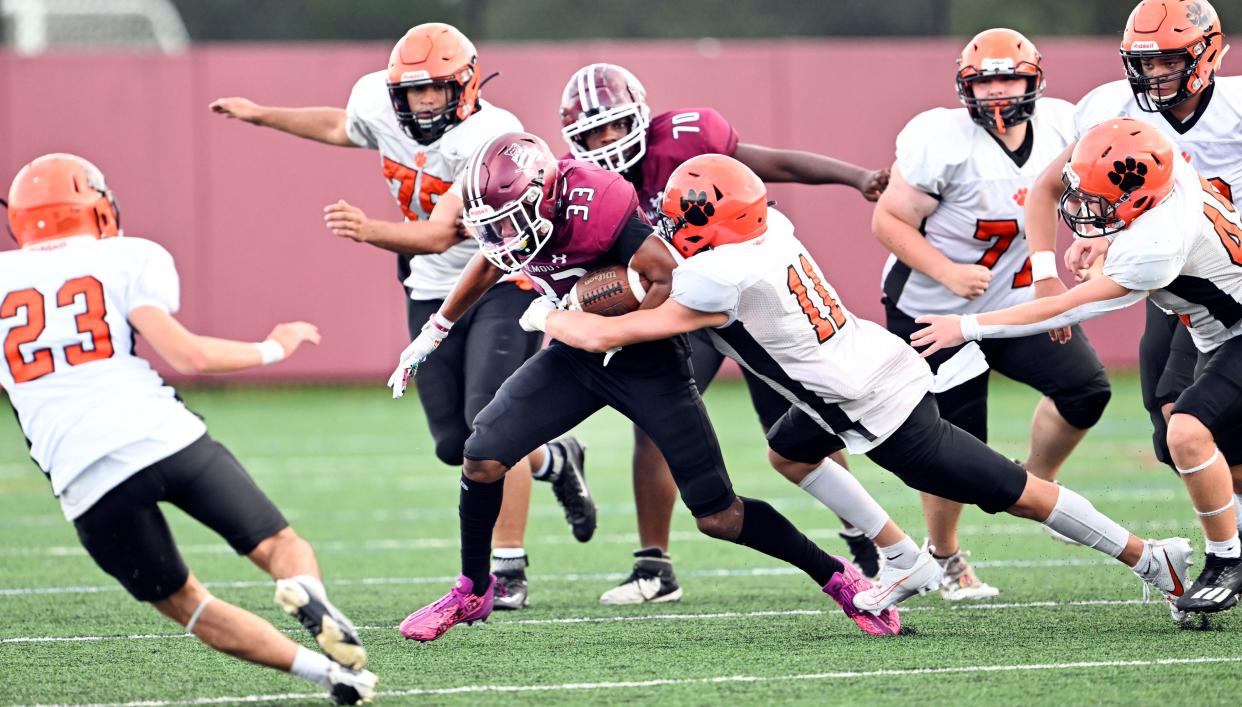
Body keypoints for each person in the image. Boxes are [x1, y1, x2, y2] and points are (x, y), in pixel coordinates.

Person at [534, 152, 1194, 624]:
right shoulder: (769, 229)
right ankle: (902, 555)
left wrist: (549, 311)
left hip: (877, 406)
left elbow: (610, 335)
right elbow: (688, 259)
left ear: (716, 223)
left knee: (1014, 492)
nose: (672, 228)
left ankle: (1149, 558)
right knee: (789, 451)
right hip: (855, 372)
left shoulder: (719, 278)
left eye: (683, 217)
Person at [389, 132, 904, 640]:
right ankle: (473, 590)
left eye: (510, 221)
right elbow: (492, 258)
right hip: (577, 354)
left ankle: (835, 576)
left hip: (649, 360)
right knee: (481, 455)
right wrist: (437, 328)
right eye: (494, 224)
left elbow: (667, 277)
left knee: (719, 516)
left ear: (546, 195)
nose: (504, 235)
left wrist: (614, 325)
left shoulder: (598, 203)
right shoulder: (516, 223)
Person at [209, 22, 593, 610]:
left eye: (436, 90)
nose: (424, 102)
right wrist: (263, 115)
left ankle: (508, 565)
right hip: (428, 285)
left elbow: (440, 234)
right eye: (414, 92)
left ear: (463, 86)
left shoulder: (492, 134)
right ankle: (557, 457)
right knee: (452, 443)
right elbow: (342, 124)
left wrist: (369, 231)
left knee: (490, 425)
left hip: (502, 277)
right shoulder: (375, 101)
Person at [0, 153, 376, 704]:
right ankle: (307, 591)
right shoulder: (128, 256)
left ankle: (331, 677)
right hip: (160, 434)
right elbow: (188, 354)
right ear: (94, 207)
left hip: (84, 475)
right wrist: (274, 346)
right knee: (278, 544)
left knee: (188, 604)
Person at [557, 63, 889, 602]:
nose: (609, 142)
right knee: (654, 422)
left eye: (617, 127)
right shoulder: (582, 186)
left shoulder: (687, 140)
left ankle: (866, 539)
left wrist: (854, 176)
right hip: (684, 304)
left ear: (640, 118)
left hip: (751, 299)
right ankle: (654, 567)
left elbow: (769, 164)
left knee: (801, 421)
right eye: (595, 134)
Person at [911, 118, 1242, 614]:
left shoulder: (1155, 247)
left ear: (1137, 199)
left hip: (1232, 330)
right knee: (1190, 443)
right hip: (1207, 326)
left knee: (1187, 435)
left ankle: (1226, 559)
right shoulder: (1165, 170)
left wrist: (967, 327)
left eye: (1103, 202)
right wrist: (1110, 240)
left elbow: (1063, 308)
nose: (1087, 210)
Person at [872, 28, 1112, 598]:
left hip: (1012, 303)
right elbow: (888, 221)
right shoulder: (940, 138)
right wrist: (947, 271)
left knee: (1086, 389)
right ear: (966, 86)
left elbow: (1085, 198)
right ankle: (946, 556)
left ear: (1035, 81)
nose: (1000, 93)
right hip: (933, 311)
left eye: (1011, 79)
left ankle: (1039, 480)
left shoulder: (1063, 125)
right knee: (953, 444)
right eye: (987, 81)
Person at [1025, 0, 1240, 482]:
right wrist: (1046, 276)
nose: (1156, 74)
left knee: (1197, 421)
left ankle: (1231, 547)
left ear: (1206, 56)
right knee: (1169, 430)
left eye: (1170, 60)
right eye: (1145, 63)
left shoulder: (1235, 108)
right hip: (1170, 280)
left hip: (1228, 281)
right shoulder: (1110, 108)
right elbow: (1049, 187)